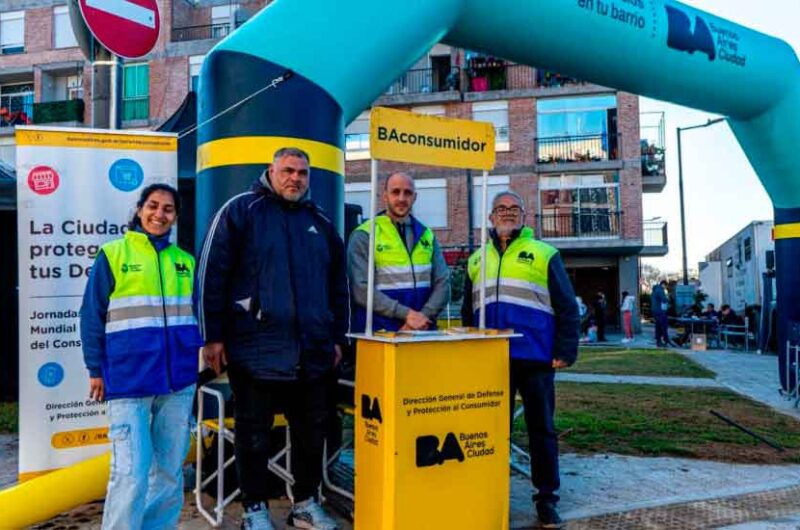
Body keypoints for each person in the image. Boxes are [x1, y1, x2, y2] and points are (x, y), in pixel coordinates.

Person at [198, 147, 346, 530]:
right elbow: (211, 274)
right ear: (271, 170)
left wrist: (337, 338)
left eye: (302, 173)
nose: (295, 178)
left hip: (312, 351)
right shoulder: (240, 210)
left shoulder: (321, 222)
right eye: (288, 170)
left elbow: (338, 286)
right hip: (254, 348)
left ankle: (305, 504)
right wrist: (211, 337)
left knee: (312, 433)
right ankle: (254, 510)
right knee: (253, 435)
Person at [80, 184, 202, 529]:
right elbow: (91, 316)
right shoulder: (113, 254)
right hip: (128, 380)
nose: (159, 214)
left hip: (178, 381)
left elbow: (195, 314)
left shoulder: (185, 261)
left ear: (175, 216)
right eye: (153, 206)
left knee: (169, 472)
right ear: (139, 209)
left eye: (167, 209)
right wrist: (95, 369)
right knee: (131, 473)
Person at [461, 191, 579, 529]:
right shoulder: (476, 259)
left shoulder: (544, 254)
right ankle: (490, 494)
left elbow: (567, 306)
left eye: (514, 209)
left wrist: (565, 350)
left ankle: (546, 499)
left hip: (536, 358)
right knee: (492, 430)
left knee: (541, 430)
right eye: (501, 209)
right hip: (490, 358)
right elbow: (471, 311)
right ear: (491, 217)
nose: (508, 213)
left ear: (525, 216)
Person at [348, 171, 450, 333]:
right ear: (385, 196)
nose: (402, 198)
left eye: (407, 193)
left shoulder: (427, 235)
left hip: (421, 332)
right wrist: (407, 315)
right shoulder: (365, 235)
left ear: (415, 197)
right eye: (395, 192)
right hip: (379, 334)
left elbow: (443, 283)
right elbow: (361, 290)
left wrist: (420, 319)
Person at [651, 280, 671, 347]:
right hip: (660, 311)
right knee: (663, 326)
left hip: (655, 310)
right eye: (665, 286)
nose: (665, 288)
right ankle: (665, 340)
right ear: (663, 284)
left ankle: (659, 341)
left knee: (658, 326)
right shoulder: (660, 290)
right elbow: (664, 300)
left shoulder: (654, 290)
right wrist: (668, 298)